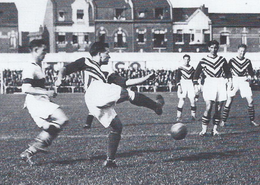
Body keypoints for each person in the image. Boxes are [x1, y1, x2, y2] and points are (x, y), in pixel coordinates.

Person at [55, 42, 165, 167]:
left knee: (117, 126)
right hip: (94, 91)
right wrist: (59, 78)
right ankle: (155, 106)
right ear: (99, 53)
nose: (109, 56)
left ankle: (110, 161)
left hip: (93, 101)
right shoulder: (86, 61)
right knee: (127, 94)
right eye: (107, 53)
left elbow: (126, 82)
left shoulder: (106, 73)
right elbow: (64, 69)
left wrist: (146, 78)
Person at [20, 39, 69, 166]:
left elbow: (37, 87)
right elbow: (26, 88)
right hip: (35, 102)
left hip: (41, 101)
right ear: (35, 50)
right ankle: (34, 148)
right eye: (43, 51)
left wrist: (49, 92)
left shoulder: (37, 66)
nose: (45, 54)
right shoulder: (30, 66)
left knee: (52, 127)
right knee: (62, 119)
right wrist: (47, 93)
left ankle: (29, 152)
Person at [83, 68, 156, 129]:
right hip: (102, 97)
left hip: (92, 99)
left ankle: (87, 124)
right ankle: (156, 106)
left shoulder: (88, 70)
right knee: (130, 94)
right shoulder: (106, 73)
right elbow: (126, 82)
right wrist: (146, 78)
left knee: (94, 109)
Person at [193, 40, 232, 136]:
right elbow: (196, 75)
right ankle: (204, 129)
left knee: (218, 108)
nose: (213, 50)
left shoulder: (222, 59)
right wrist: (196, 86)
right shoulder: (203, 60)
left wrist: (230, 83)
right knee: (208, 106)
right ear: (208, 48)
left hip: (220, 82)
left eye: (215, 48)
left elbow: (228, 73)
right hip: (209, 83)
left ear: (217, 48)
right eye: (211, 47)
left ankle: (215, 129)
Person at [221, 44, 259, 127]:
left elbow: (251, 72)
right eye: (241, 51)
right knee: (229, 100)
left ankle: (252, 120)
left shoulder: (247, 61)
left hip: (244, 80)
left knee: (251, 100)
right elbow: (227, 72)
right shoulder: (232, 60)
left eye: (244, 51)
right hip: (234, 79)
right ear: (238, 51)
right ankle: (223, 121)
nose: (242, 53)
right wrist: (229, 81)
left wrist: (250, 77)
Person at [175, 54, 197, 122]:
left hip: (190, 83)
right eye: (185, 59)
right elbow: (177, 78)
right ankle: (178, 116)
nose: (186, 61)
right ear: (183, 60)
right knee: (182, 100)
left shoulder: (192, 68)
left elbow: (194, 78)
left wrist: (195, 86)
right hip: (183, 83)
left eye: (188, 59)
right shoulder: (180, 68)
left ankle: (193, 116)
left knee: (192, 100)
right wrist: (179, 86)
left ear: (189, 60)